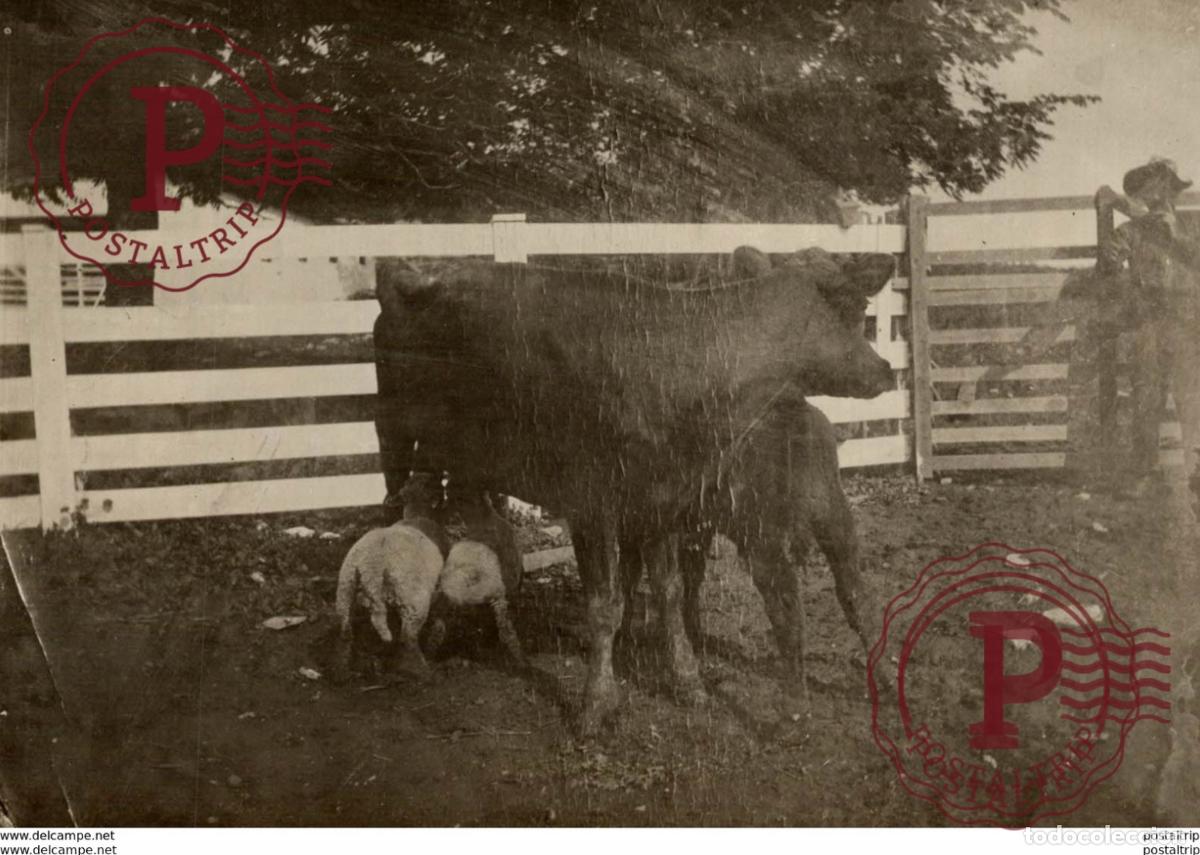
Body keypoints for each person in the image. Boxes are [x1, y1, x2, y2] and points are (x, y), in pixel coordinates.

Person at [1095, 158, 1200, 510]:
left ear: (1172, 190)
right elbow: (1108, 261)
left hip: (1188, 326)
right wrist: (1113, 253)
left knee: (1192, 401)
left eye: (1164, 184)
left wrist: (1176, 235)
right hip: (1149, 326)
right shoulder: (1133, 230)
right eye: (1149, 185)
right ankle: (1145, 473)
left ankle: (1196, 475)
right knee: (1146, 399)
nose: (1157, 192)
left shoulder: (1192, 225)